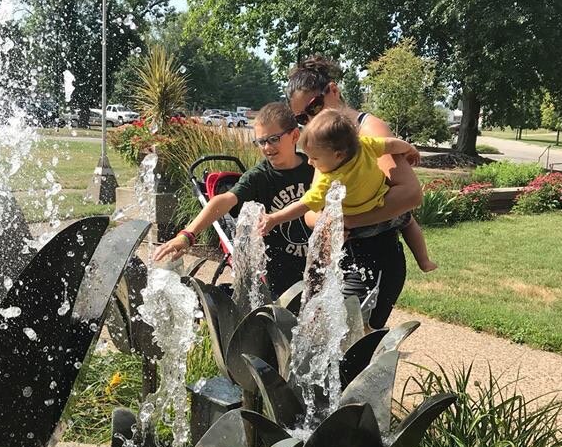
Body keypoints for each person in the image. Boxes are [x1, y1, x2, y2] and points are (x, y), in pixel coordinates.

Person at [286, 54, 424, 327]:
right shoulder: (324, 140)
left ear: (333, 90)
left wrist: (347, 220)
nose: (309, 120)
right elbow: (312, 213)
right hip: (343, 259)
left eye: (313, 107)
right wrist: (330, 221)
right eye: (301, 117)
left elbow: (410, 194)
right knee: (328, 351)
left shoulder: (369, 130)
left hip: (375, 259)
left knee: (352, 352)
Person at [152, 101, 314, 297]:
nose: (267, 147)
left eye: (273, 139)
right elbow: (224, 200)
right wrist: (188, 235)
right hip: (278, 276)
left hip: (316, 265)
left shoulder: (315, 167)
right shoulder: (258, 177)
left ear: (295, 135)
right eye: (261, 142)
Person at [261, 108, 437, 273]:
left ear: (338, 155)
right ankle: (424, 261)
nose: (309, 163)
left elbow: (304, 204)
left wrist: (275, 218)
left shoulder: (327, 178)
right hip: (383, 211)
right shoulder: (364, 145)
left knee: (332, 242)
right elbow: (391, 145)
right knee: (408, 222)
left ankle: (327, 274)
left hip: (356, 228)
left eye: (314, 158)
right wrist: (410, 149)